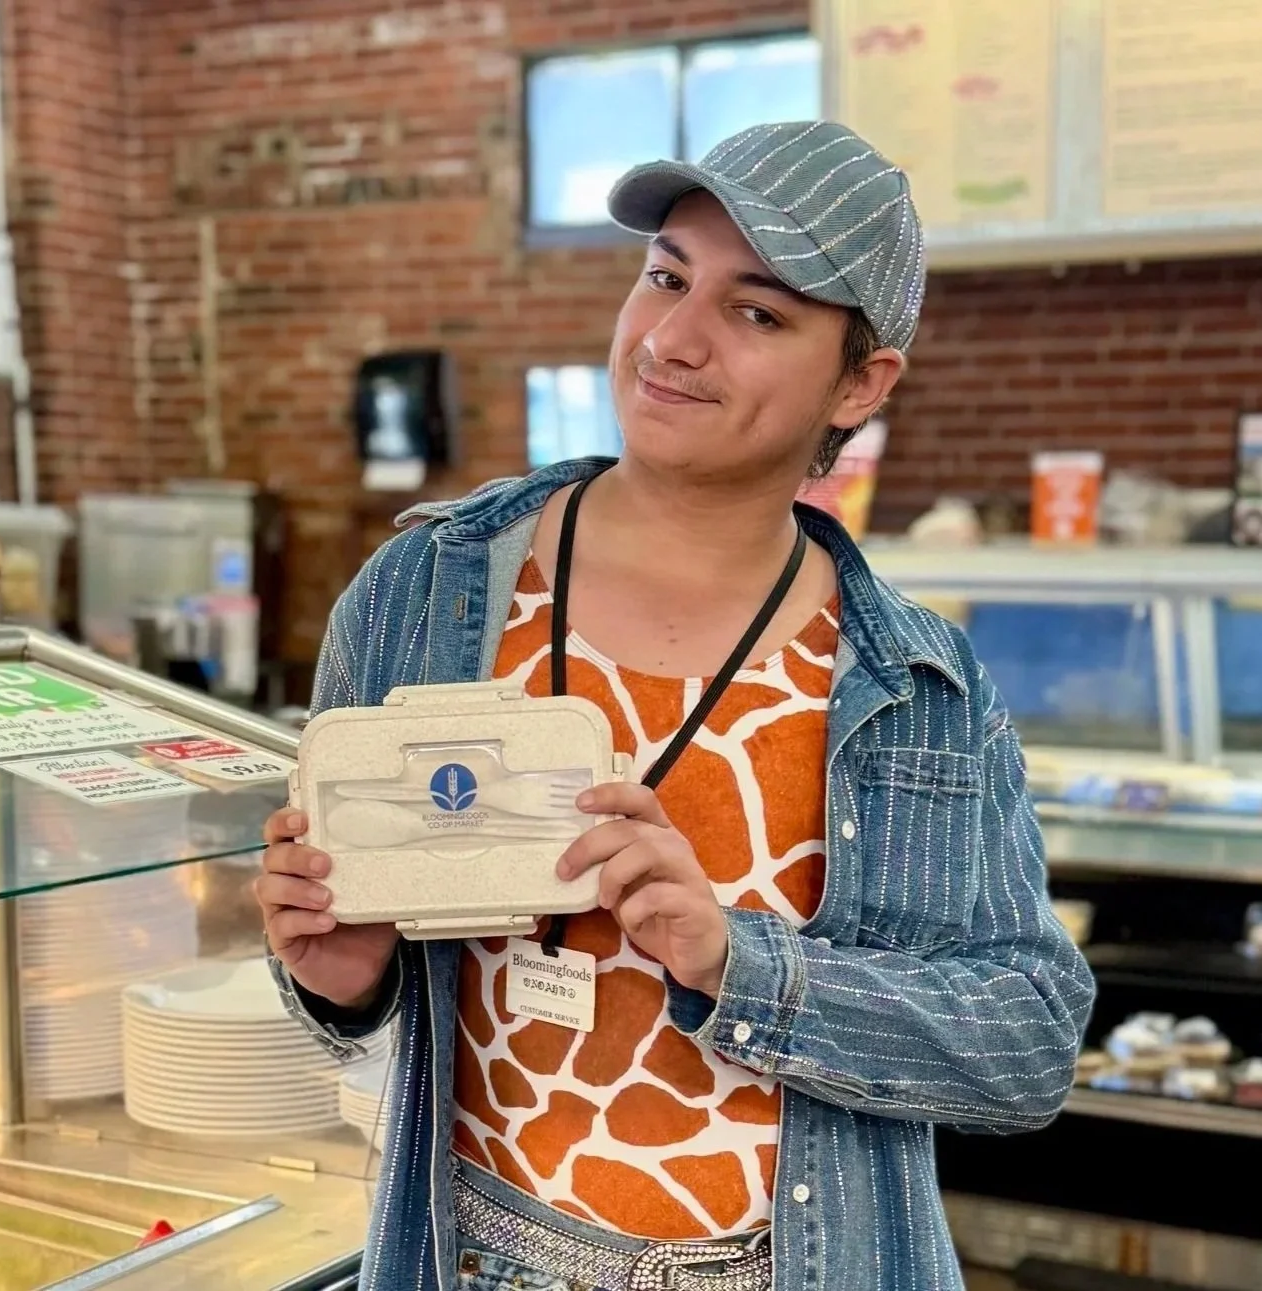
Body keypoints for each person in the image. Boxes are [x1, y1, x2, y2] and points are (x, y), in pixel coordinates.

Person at [258, 121, 1095, 1291]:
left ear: (861, 381)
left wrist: (738, 961)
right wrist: (339, 975)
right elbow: (362, 984)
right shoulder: (423, 592)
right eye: (664, 276)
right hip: (469, 1257)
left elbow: (1025, 1044)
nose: (672, 339)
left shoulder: (916, 686)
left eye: (757, 312)